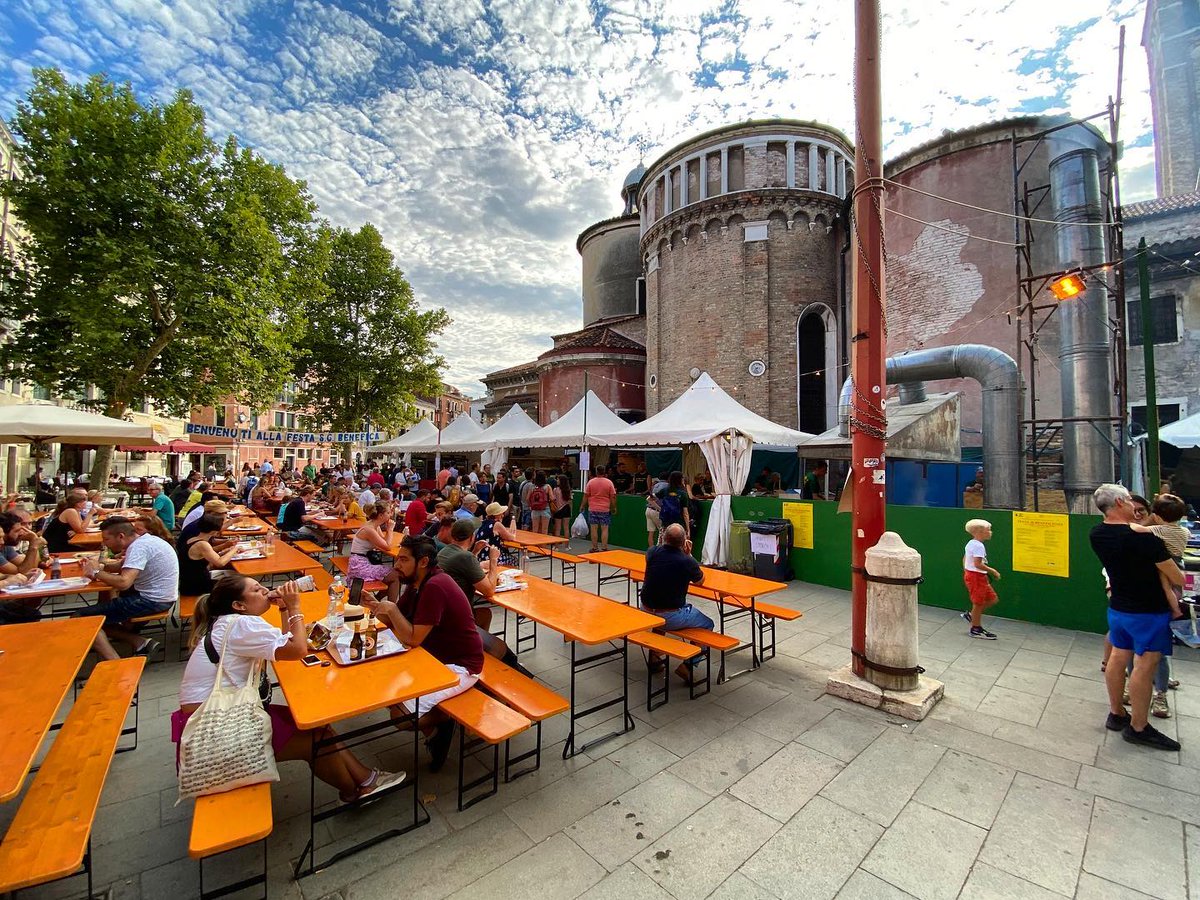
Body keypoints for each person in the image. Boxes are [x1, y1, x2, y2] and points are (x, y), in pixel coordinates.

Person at [173, 575, 404, 801]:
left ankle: (366, 780)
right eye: (255, 590)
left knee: (318, 724)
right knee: (316, 740)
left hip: (218, 714)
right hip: (215, 731)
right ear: (239, 605)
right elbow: (298, 649)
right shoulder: (243, 624)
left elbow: (287, 643)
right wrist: (295, 607)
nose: (264, 591)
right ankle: (353, 792)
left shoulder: (231, 622)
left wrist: (284, 609)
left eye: (261, 586)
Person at [368, 534, 485, 770]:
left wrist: (390, 609)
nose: (396, 565)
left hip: (461, 667)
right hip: (432, 657)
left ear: (422, 562)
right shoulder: (417, 584)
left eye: (402, 560)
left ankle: (444, 723)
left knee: (400, 715)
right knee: (382, 683)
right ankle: (436, 725)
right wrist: (371, 605)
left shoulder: (435, 586)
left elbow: (413, 638)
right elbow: (390, 620)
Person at [1089, 483, 1184, 751]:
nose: (1135, 506)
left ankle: (1117, 713)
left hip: (1119, 607)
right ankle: (1139, 727)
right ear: (1120, 503)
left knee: (1118, 657)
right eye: (1130, 501)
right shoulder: (1143, 539)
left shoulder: (1097, 534)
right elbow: (1176, 576)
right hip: (1148, 611)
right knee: (1145, 665)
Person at [78, 518, 179, 662]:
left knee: (82, 618)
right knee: (103, 608)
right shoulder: (144, 541)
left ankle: (115, 663)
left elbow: (124, 582)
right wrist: (99, 566)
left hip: (152, 600)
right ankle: (139, 642)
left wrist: (96, 572)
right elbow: (121, 566)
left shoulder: (139, 548)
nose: (104, 543)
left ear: (121, 536)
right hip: (162, 596)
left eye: (106, 539)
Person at [640, 524, 712, 684]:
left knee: (659, 620)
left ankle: (654, 657)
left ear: (664, 538)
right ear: (684, 541)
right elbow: (700, 580)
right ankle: (688, 666)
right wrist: (689, 555)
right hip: (671, 615)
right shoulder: (686, 561)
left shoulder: (652, 552)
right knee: (708, 624)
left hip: (645, 608)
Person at [438, 518, 500, 630]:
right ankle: (474, 644)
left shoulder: (445, 551)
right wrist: (494, 560)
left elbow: (463, 567)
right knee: (485, 614)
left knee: (483, 613)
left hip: (442, 610)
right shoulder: (466, 557)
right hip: (456, 616)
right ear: (472, 537)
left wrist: (475, 552)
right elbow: (489, 590)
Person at [178, 513, 238, 596]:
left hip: (189, 582)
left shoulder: (193, 539)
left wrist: (226, 549)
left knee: (232, 576)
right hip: (197, 586)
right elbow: (220, 563)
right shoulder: (202, 544)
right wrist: (235, 549)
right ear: (214, 532)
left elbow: (208, 554)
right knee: (237, 583)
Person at [961, 519, 1001, 640]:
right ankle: (976, 629)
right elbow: (978, 564)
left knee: (992, 599)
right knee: (978, 603)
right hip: (976, 577)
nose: (990, 532)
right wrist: (993, 571)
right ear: (979, 532)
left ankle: (972, 616)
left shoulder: (971, 543)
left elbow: (964, 558)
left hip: (976, 576)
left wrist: (966, 570)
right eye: (988, 530)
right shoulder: (978, 546)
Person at [347, 501, 396, 583]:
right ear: (380, 515)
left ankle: (377, 596)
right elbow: (387, 546)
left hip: (363, 560)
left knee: (394, 575)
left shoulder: (374, 525)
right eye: (388, 512)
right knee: (395, 573)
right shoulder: (369, 529)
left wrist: (388, 530)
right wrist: (390, 530)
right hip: (359, 566)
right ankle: (378, 596)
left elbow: (383, 541)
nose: (390, 514)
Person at [581, 465, 618, 552]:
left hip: (593, 508)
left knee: (594, 529)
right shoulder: (609, 483)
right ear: (604, 472)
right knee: (604, 529)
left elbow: (586, 495)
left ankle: (595, 547)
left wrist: (582, 506)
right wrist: (614, 507)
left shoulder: (591, 482)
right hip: (605, 509)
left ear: (596, 472)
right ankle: (604, 547)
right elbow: (613, 496)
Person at [655, 471, 691, 538]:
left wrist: (659, 508)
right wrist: (688, 529)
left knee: (664, 542)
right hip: (678, 524)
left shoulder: (665, 490)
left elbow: (650, 498)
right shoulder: (683, 494)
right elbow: (685, 513)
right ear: (680, 480)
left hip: (666, 523)